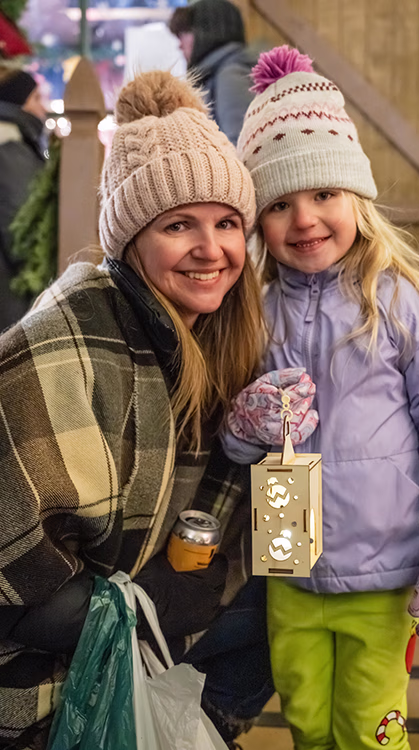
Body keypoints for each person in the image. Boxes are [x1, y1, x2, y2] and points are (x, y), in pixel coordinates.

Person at [223, 46, 419, 750]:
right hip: (289, 572)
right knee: (309, 721)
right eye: (279, 204)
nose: (305, 219)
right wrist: (243, 423)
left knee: (369, 728)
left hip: (387, 573)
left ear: (356, 196)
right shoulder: (250, 312)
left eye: (323, 194)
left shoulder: (414, 306)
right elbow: (227, 433)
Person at [0, 70, 273, 750]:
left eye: (227, 223)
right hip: (45, 683)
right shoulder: (70, 339)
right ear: (130, 238)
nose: (212, 249)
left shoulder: (212, 336)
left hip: (142, 647)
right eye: (179, 224)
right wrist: (138, 604)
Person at [170, 0, 256, 146]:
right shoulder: (215, 73)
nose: (180, 44)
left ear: (206, 31)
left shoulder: (231, 76)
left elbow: (241, 147)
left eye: (185, 33)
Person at [0, 66, 47, 332]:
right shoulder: (9, 148)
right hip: (11, 302)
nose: (43, 108)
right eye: (37, 99)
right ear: (20, 103)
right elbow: (23, 234)